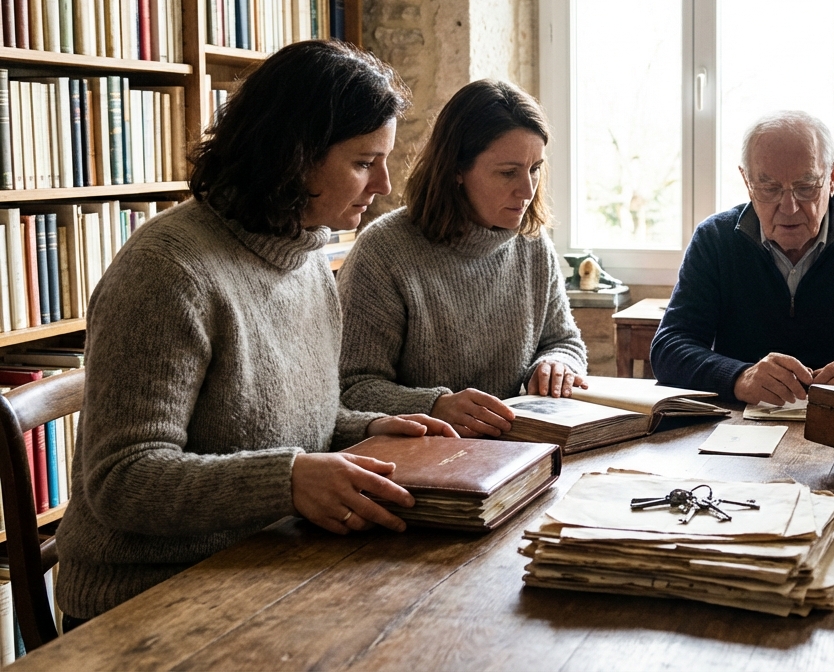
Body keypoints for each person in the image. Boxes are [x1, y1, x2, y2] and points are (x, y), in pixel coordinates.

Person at [56, 40, 458, 623]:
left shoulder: (308, 261)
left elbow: (263, 421)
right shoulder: (168, 271)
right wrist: (290, 481)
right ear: (293, 156)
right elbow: (123, 480)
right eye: (364, 162)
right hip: (147, 600)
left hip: (267, 563)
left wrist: (364, 428)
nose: (385, 187)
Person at [337, 79, 587, 438]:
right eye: (508, 172)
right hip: (423, 458)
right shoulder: (384, 251)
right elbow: (352, 388)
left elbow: (564, 340)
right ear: (456, 168)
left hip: (516, 447)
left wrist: (557, 363)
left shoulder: (532, 243)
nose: (527, 191)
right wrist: (435, 405)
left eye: (534, 169)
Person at [650, 110, 834, 405]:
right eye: (769, 188)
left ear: (832, 176)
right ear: (747, 182)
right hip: (740, 431)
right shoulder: (715, 240)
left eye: (806, 187)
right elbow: (669, 349)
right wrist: (739, 378)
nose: (789, 207)